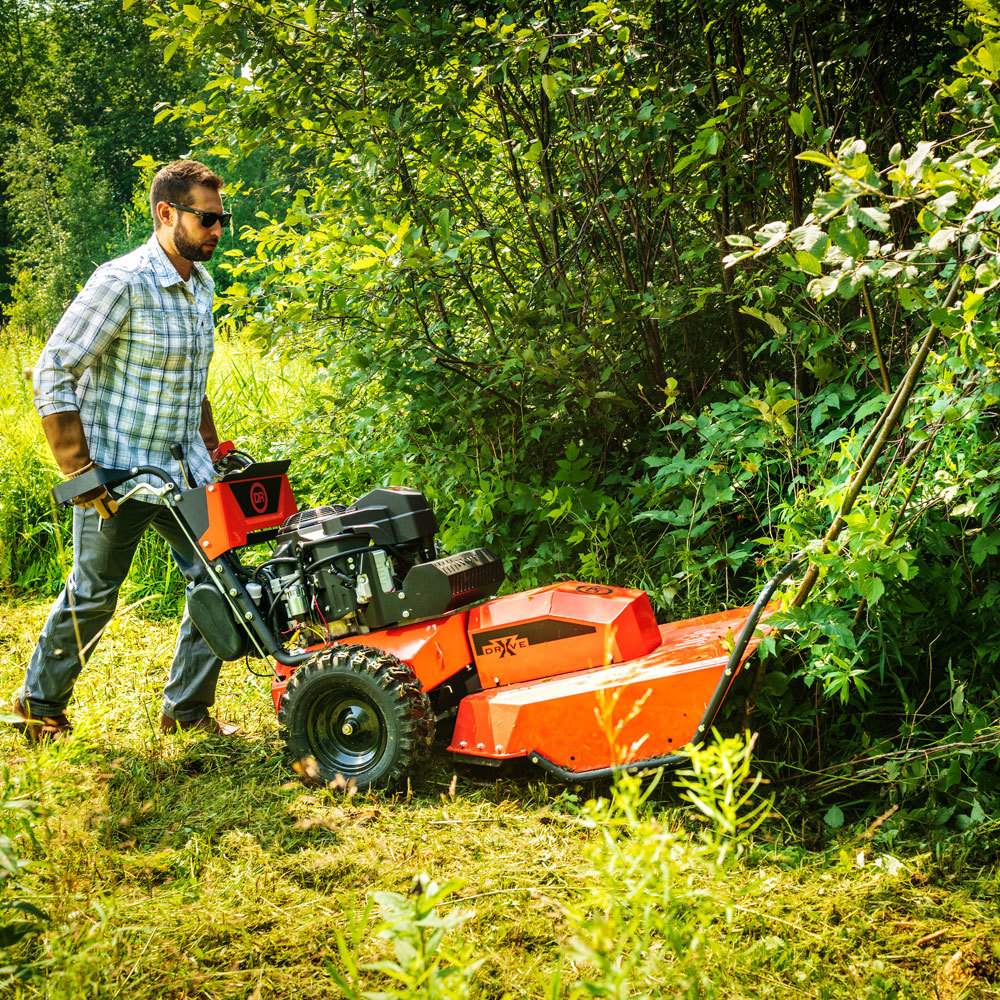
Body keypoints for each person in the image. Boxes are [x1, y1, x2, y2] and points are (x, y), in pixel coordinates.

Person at [11, 159, 239, 742]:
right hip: (115, 472)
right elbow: (55, 370)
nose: (217, 230)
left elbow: (192, 379)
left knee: (220, 582)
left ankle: (185, 709)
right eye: (207, 219)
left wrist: (212, 451)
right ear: (167, 214)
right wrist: (78, 470)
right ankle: (39, 706)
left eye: (222, 219)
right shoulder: (122, 281)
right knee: (94, 594)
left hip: (184, 467)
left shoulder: (200, 286)